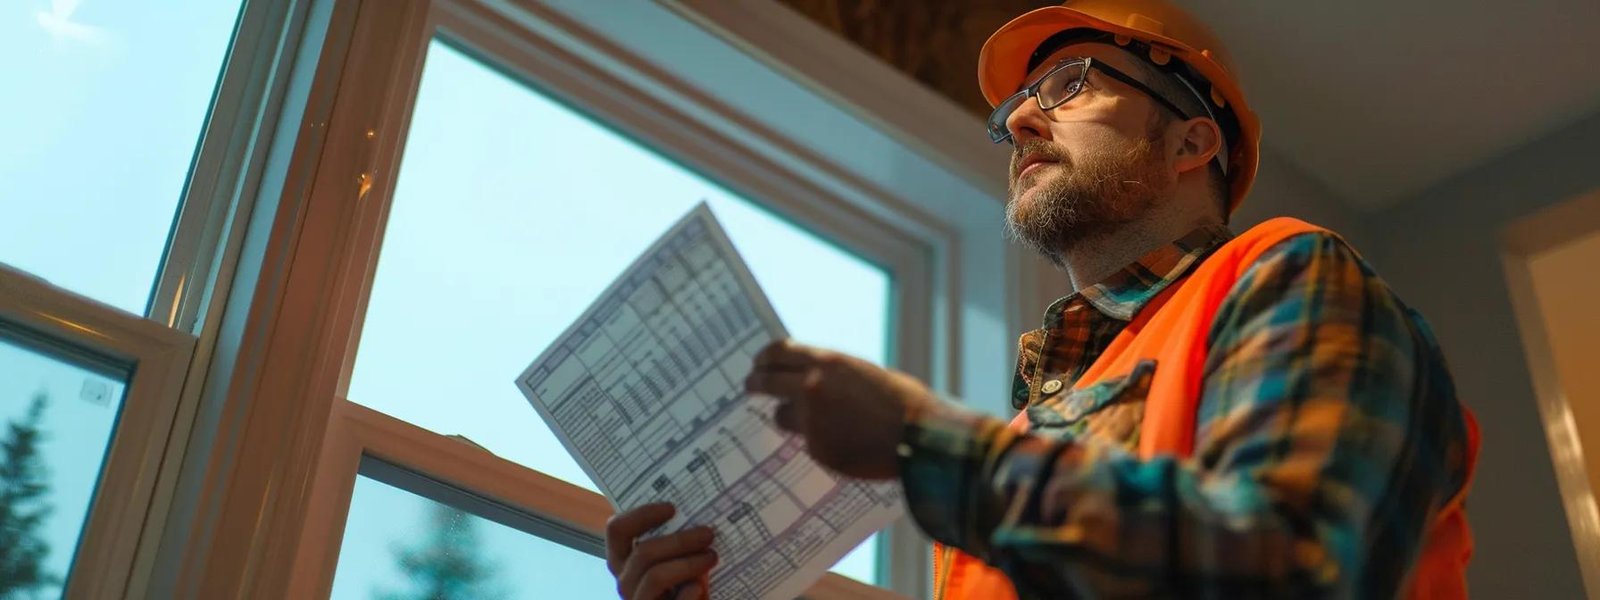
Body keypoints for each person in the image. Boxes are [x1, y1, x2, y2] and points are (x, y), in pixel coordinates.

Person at [603, 1, 1479, 598]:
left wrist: (920, 443)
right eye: (1017, 106)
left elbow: (1295, 567)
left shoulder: (1288, 271)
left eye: (1070, 85)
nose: (1019, 121)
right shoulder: (1024, 436)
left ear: (1190, 140)